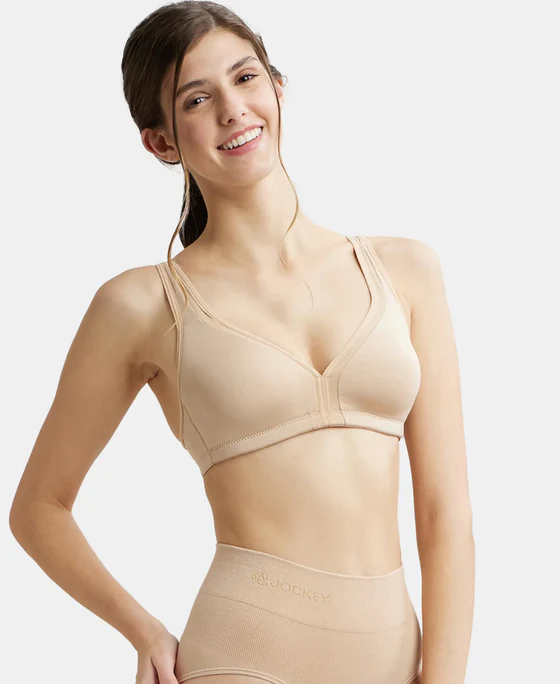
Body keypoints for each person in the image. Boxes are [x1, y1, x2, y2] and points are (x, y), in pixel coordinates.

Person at [9, 2, 475, 683]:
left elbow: (444, 514)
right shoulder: (142, 304)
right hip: (242, 659)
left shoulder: (405, 271)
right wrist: (143, 629)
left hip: (394, 660)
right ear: (161, 143)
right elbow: (38, 509)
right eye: (197, 99)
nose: (233, 109)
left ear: (278, 89)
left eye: (246, 77)